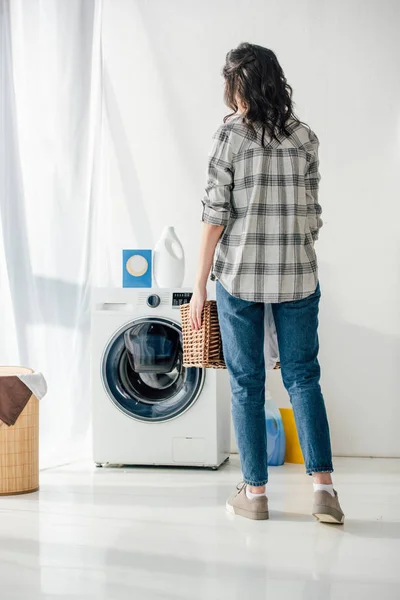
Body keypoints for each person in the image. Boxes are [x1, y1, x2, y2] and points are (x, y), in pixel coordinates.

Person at [189, 42, 344, 524]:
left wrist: (198, 286)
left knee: (246, 383)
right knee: (303, 378)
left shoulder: (229, 136)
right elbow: (312, 215)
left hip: (240, 276)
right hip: (298, 274)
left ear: (238, 84)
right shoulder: (305, 138)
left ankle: (255, 495)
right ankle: (325, 491)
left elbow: (215, 217)